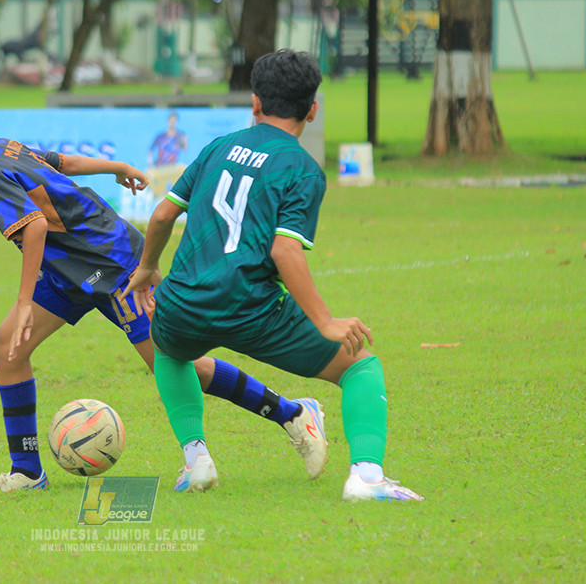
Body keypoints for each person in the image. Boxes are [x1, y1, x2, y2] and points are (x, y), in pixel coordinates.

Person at [0, 70, 328, 493]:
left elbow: (32, 228)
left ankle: (292, 413)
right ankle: (27, 471)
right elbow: (63, 164)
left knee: (174, 365)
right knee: (7, 349)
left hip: (115, 263)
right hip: (68, 271)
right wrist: (116, 165)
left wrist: (25, 301)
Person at [122, 49, 423, 501]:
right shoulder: (302, 168)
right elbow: (285, 249)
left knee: (167, 349)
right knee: (360, 366)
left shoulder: (219, 146)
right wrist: (325, 322)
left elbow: (163, 215)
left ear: (255, 103)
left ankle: (196, 458)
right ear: (313, 110)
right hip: (252, 306)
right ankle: (366, 477)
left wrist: (147, 267)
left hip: (183, 302)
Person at [146, 112, 189, 199]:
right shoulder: (161, 136)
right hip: (160, 167)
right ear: (168, 121)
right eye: (171, 120)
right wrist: (150, 165)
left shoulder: (180, 136)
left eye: (174, 120)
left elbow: (185, 149)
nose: (172, 122)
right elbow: (150, 152)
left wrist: (185, 140)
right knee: (159, 193)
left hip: (172, 167)